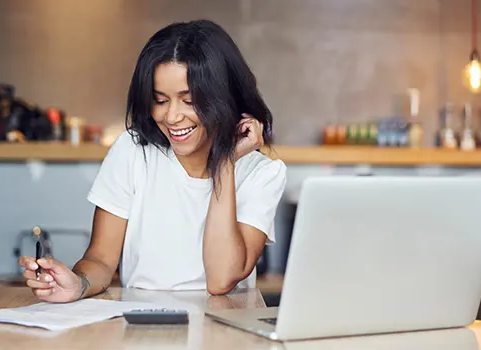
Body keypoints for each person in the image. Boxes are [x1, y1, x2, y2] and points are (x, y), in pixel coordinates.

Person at [18, 19, 287, 302]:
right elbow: (101, 259)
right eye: (160, 100)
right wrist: (79, 284)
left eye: (189, 100)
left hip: (224, 332)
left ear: (223, 97)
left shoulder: (262, 173)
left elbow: (221, 279)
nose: (172, 117)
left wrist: (225, 163)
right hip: (142, 327)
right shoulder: (133, 151)